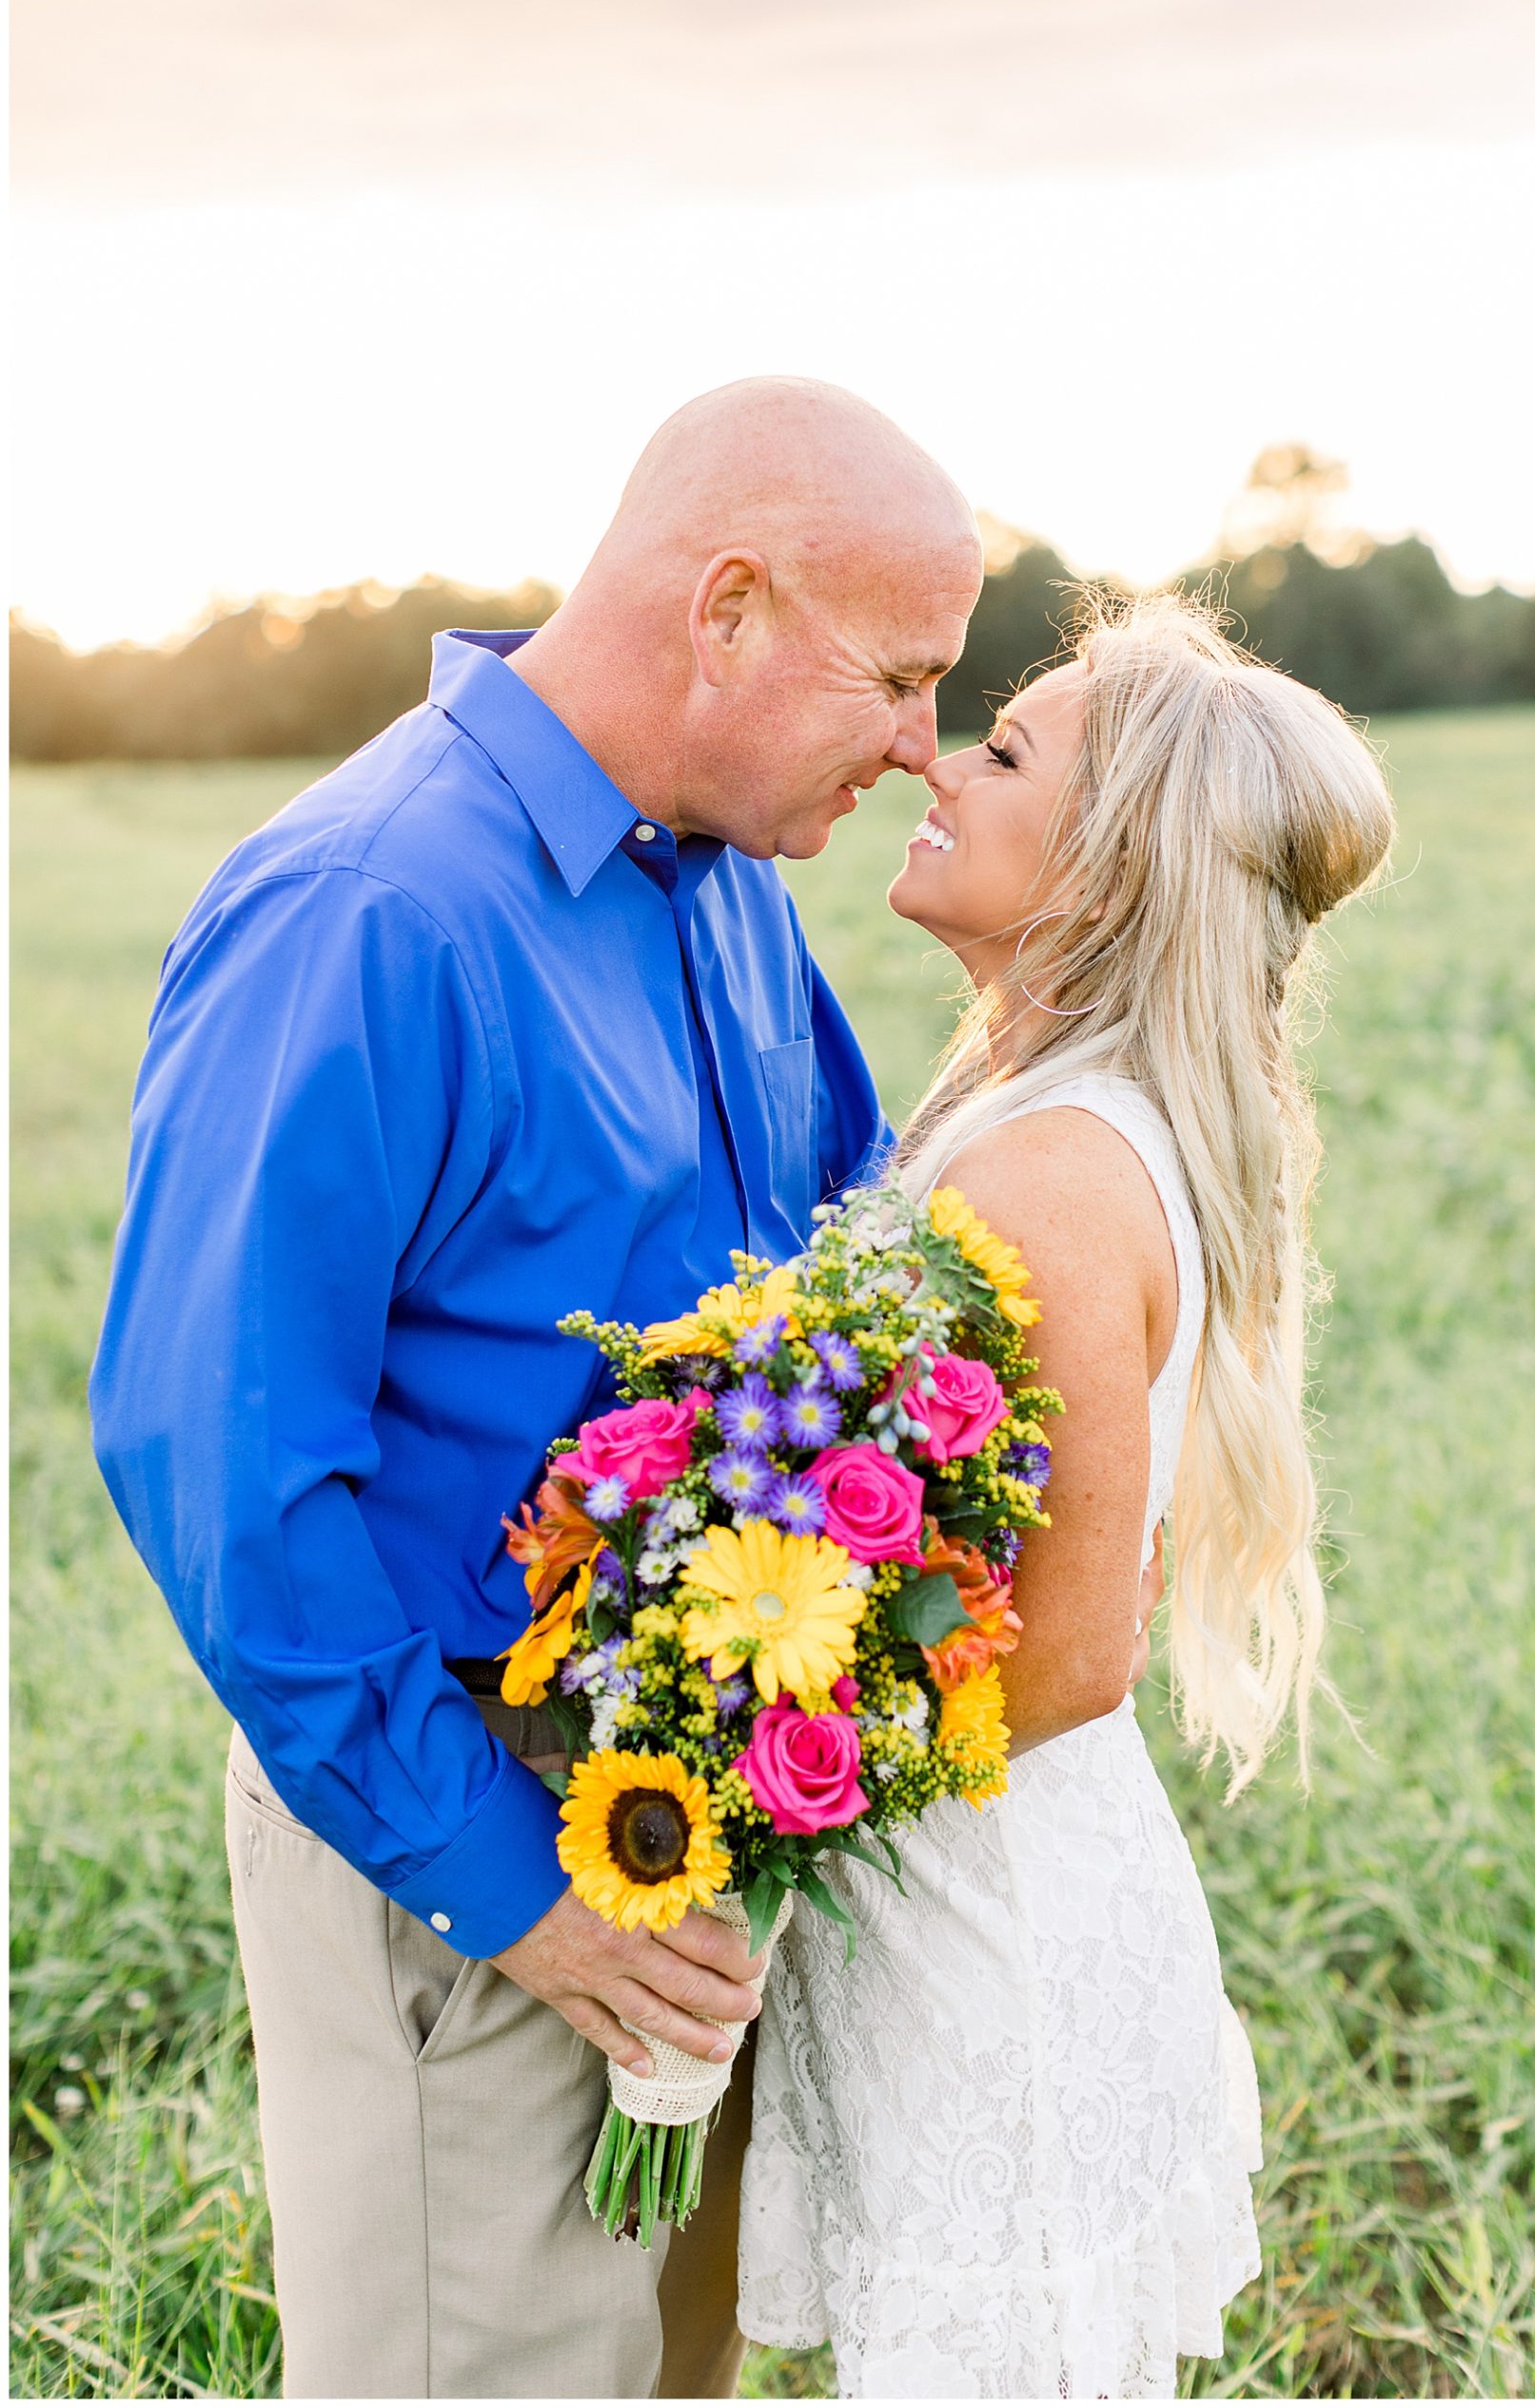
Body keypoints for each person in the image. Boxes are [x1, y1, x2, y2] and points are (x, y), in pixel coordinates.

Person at [88, 376, 993, 2399]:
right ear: (729, 607)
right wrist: (516, 1895)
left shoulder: (734, 890)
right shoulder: (366, 907)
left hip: (700, 1830)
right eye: (902, 677)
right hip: (460, 1840)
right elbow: (219, 1467)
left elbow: (842, 1286)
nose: (923, 744)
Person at [738, 594, 1396, 2398]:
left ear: (1111, 866)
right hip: (957, 1893)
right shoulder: (1035, 1105)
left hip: (987, 1940)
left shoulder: (1051, 1169)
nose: (938, 761)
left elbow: (1075, 1650)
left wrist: (744, 1786)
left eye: (1007, 749)